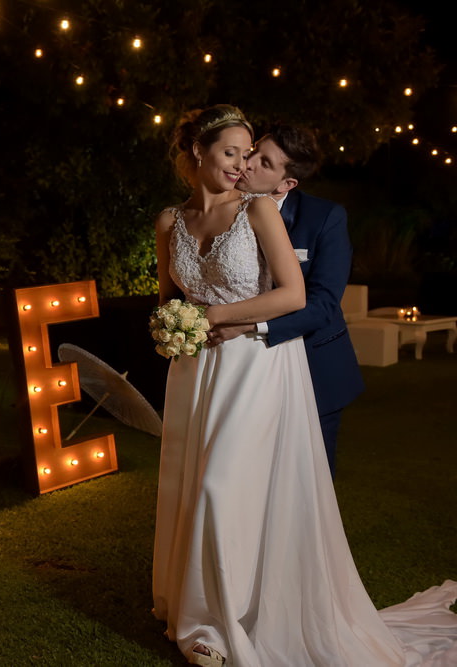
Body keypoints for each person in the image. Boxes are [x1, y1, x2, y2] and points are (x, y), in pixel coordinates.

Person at [150, 104, 457, 666]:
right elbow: (170, 295)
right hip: (196, 371)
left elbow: (302, 298)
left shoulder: (266, 211)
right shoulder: (170, 221)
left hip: (259, 365)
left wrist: (214, 319)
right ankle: (195, 610)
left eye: (252, 157)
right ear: (197, 151)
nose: (243, 166)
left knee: (233, 488)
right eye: (235, 153)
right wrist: (173, 326)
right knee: (192, 481)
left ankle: (233, 620)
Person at [207, 125, 362, 477]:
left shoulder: (325, 218)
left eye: (265, 162)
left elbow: (323, 304)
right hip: (243, 369)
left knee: (308, 482)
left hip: (313, 366)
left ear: (285, 184)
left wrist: (249, 325)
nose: (247, 164)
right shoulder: (219, 207)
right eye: (254, 150)